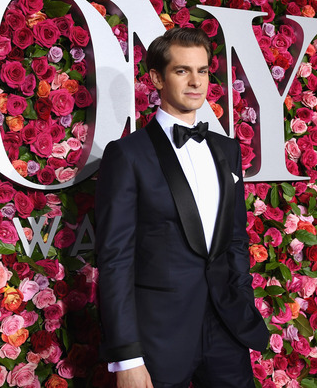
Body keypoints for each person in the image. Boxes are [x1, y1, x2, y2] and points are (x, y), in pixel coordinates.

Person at [95, 27, 270, 388]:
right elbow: (115, 259)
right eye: (181, 71)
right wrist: (126, 356)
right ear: (157, 78)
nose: (195, 82)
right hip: (159, 337)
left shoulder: (227, 150)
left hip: (227, 329)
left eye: (203, 71)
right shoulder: (127, 155)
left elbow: (236, 239)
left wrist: (241, 302)